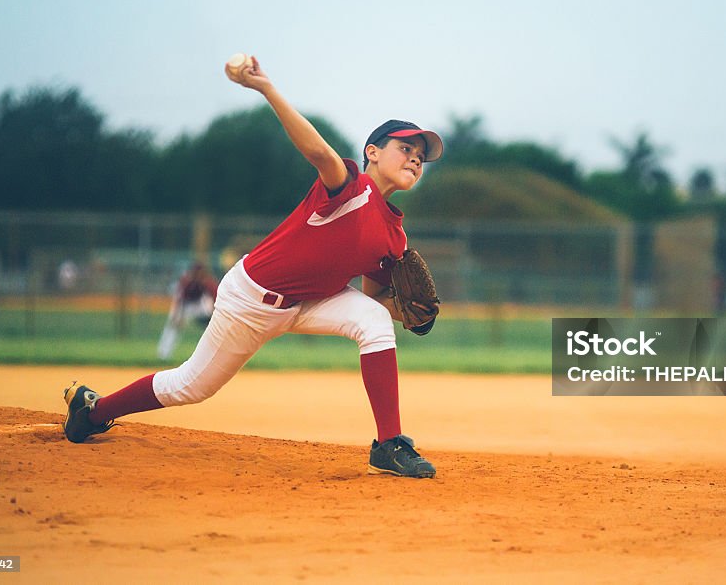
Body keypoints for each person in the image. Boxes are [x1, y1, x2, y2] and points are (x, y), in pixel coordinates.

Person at [62, 55, 443, 478]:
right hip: (250, 298)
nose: (414, 159)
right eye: (405, 148)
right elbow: (317, 150)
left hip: (313, 301)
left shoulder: (395, 235)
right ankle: (93, 412)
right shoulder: (351, 186)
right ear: (372, 152)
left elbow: (374, 301)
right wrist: (265, 87)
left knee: (373, 321)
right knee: (191, 386)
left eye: (420, 158)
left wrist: (407, 313)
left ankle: (388, 444)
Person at [157, 261, 218, 361]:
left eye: (201, 273)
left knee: (213, 328)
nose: (199, 275)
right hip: (186, 306)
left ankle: (212, 356)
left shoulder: (208, 282)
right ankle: (163, 354)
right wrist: (177, 316)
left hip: (200, 305)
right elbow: (180, 300)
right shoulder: (186, 281)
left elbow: (216, 298)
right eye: (197, 272)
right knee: (173, 327)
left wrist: (214, 316)